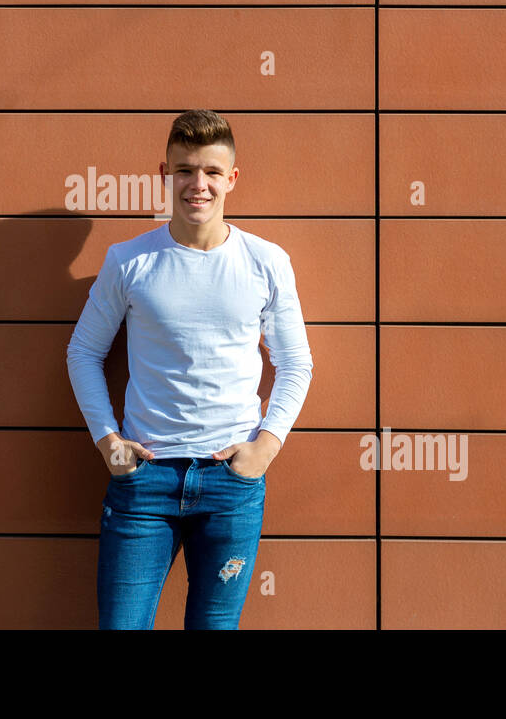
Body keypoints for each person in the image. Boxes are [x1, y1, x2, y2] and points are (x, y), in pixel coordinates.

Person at [66, 109, 314, 629]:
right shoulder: (130, 261)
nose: (197, 184)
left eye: (211, 172)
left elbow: (295, 364)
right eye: (184, 170)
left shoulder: (266, 262)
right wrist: (107, 439)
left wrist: (265, 447)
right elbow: (83, 351)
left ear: (232, 179)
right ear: (165, 173)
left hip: (231, 483)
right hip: (144, 483)